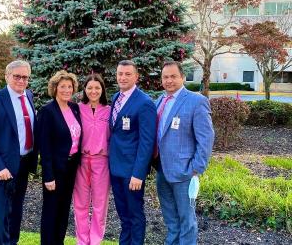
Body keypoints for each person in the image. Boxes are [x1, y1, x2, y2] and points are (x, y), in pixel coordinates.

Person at [154, 61, 214, 245]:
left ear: (183, 77)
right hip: (162, 171)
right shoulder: (159, 100)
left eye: (173, 76)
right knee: (171, 220)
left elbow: (206, 137)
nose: (169, 80)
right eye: (165, 77)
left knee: (187, 221)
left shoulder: (196, 101)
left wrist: (196, 168)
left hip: (184, 173)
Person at [0, 60, 38, 245]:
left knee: (16, 213)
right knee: (2, 216)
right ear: (7, 76)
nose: (21, 80)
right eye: (17, 76)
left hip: (23, 165)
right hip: (4, 169)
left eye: (25, 77)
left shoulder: (28, 96)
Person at [109, 60, 156, 245]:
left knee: (135, 215)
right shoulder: (115, 98)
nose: (123, 77)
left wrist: (138, 173)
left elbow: (147, 142)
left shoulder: (144, 103)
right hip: (116, 168)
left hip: (132, 172)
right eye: (120, 73)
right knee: (123, 215)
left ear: (136, 77)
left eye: (128, 74)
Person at [37, 70, 82, 245]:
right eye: (62, 86)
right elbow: (44, 146)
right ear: (55, 88)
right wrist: (48, 175)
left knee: (63, 210)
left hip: (71, 168)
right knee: (51, 210)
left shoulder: (74, 108)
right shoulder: (47, 111)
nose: (66, 90)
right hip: (54, 170)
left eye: (69, 86)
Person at [73, 73, 111, 245]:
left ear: (102, 89)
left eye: (97, 87)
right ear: (85, 90)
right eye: (90, 87)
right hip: (81, 161)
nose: (93, 91)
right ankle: (82, 241)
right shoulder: (77, 109)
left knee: (100, 205)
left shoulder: (109, 110)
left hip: (102, 161)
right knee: (80, 204)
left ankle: (95, 241)